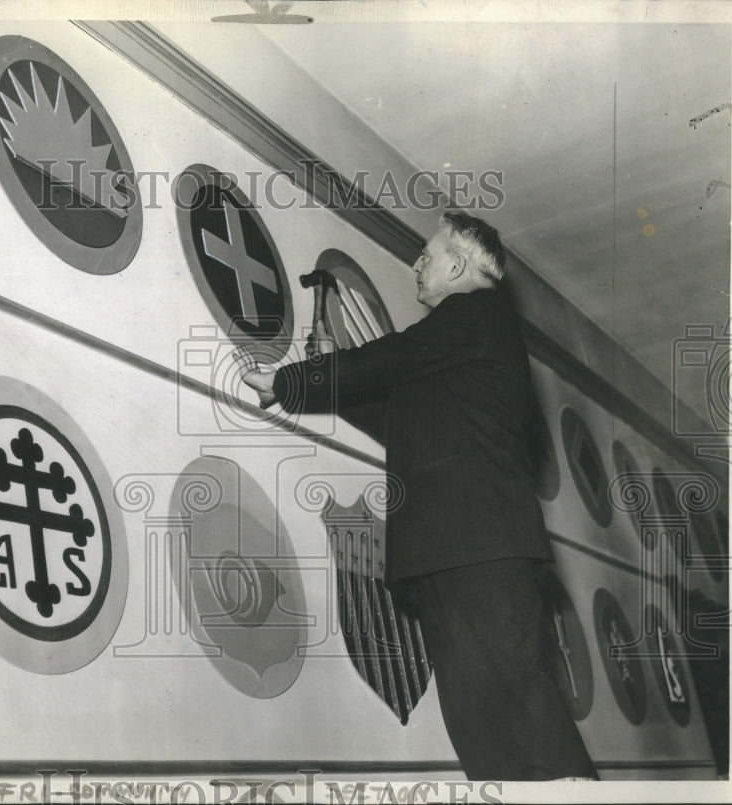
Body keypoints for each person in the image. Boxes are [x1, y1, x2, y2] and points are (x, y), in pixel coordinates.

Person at [235, 211, 597, 781]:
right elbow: (399, 420)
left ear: (458, 265)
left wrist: (291, 382)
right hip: (457, 556)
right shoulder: (467, 348)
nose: (417, 264)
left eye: (427, 255)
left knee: (521, 715)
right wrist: (318, 379)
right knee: (484, 732)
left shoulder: (475, 314)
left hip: (478, 552)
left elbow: (389, 358)